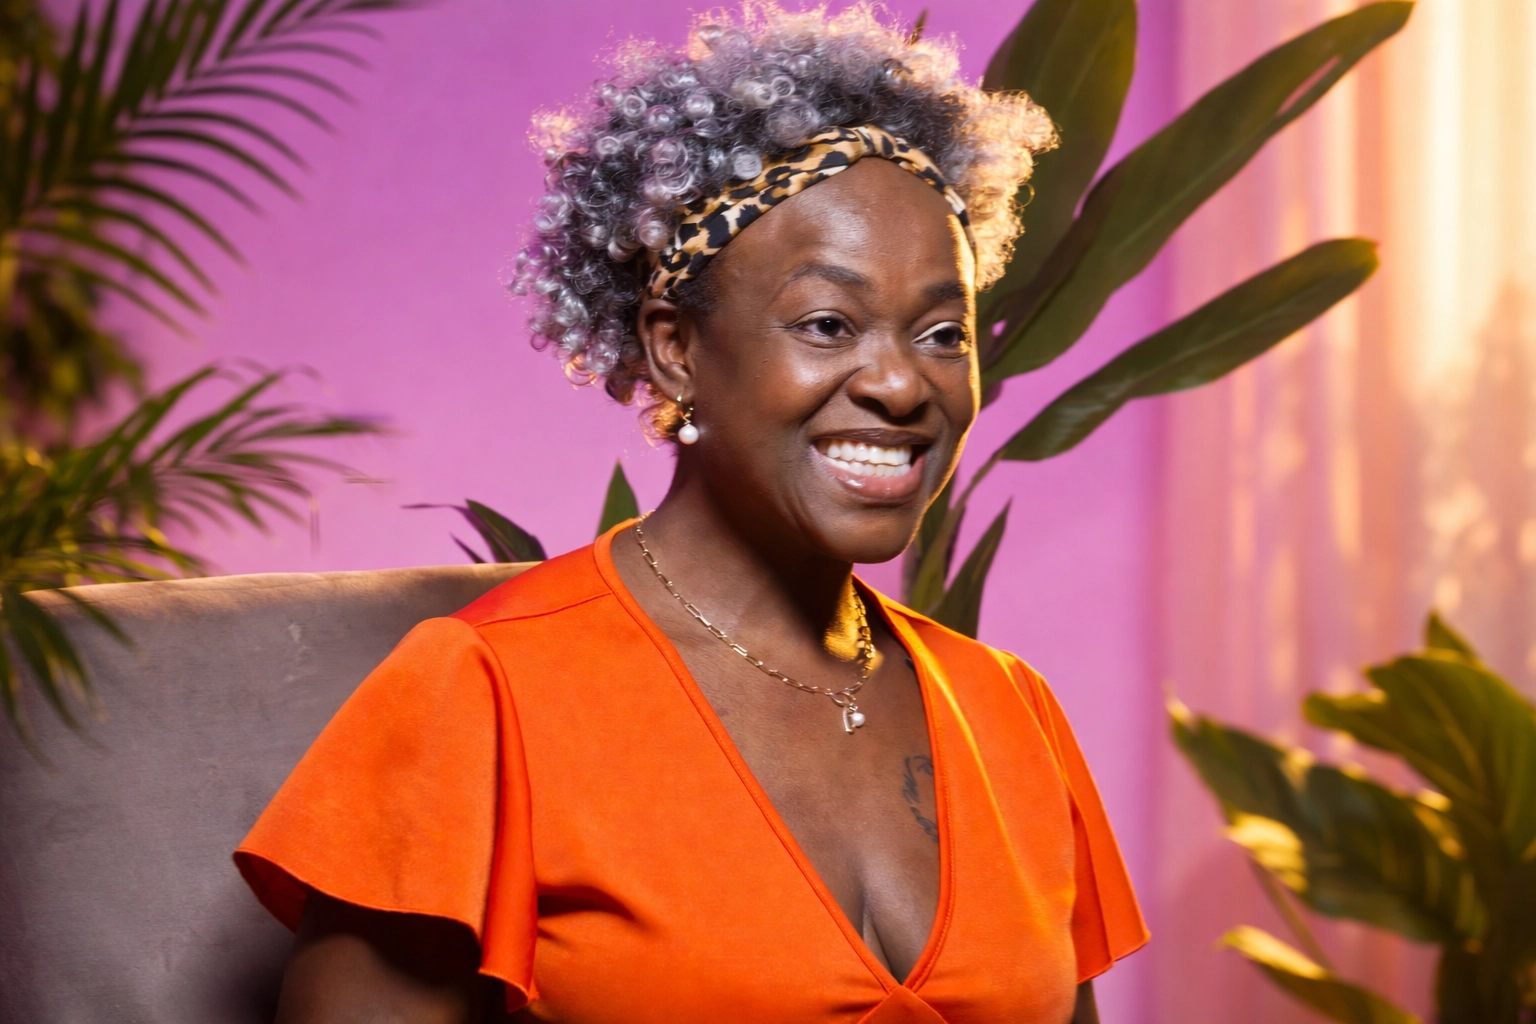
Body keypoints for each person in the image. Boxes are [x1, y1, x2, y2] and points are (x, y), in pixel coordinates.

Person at [235, 6, 1148, 1022]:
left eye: (943, 333)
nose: (901, 384)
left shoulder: (1010, 712)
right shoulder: (485, 693)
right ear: (676, 350)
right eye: (828, 324)